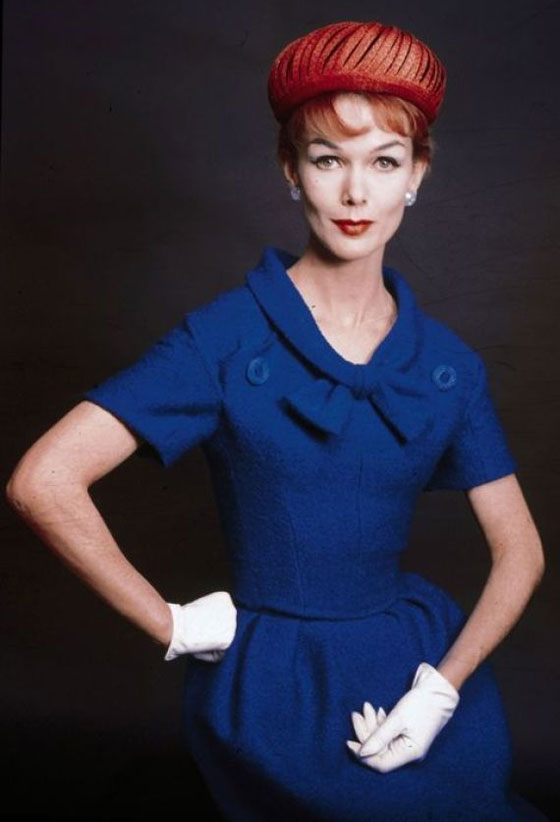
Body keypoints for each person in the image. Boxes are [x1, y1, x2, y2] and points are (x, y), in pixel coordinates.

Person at [6, 19, 547, 822]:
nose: (356, 193)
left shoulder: (449, 364)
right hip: (277, 686)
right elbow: (43, 481)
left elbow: (521, 552)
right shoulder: (224, 338)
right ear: (290, 170)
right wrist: (169, 622)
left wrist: (442, 689)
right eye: (328, 160)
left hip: (413, 660)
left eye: (384, 161)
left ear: (417, 174)